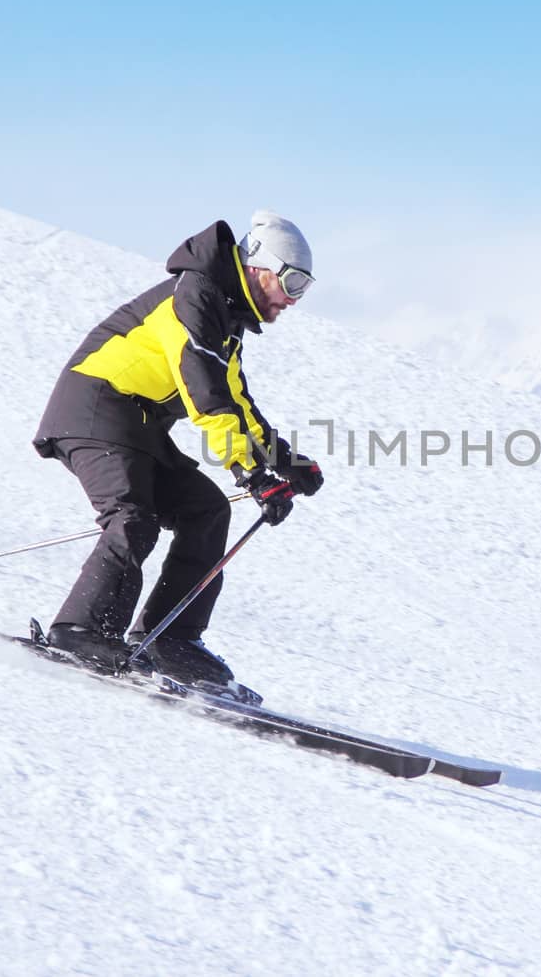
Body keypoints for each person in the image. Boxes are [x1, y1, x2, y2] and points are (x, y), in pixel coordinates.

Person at [31, 210, 324, 685]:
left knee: (206, 510)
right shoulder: (195, 299)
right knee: (133, 517)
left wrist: (284, 461)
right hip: (93, 407)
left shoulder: (222, 315)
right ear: (258, 266)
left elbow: (236, 399)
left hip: (135, 424)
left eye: (304, 289)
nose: (293, 300)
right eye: (291, 283)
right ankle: (81, 630)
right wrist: (251, 475)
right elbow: (206, 395)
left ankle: (172, 639)